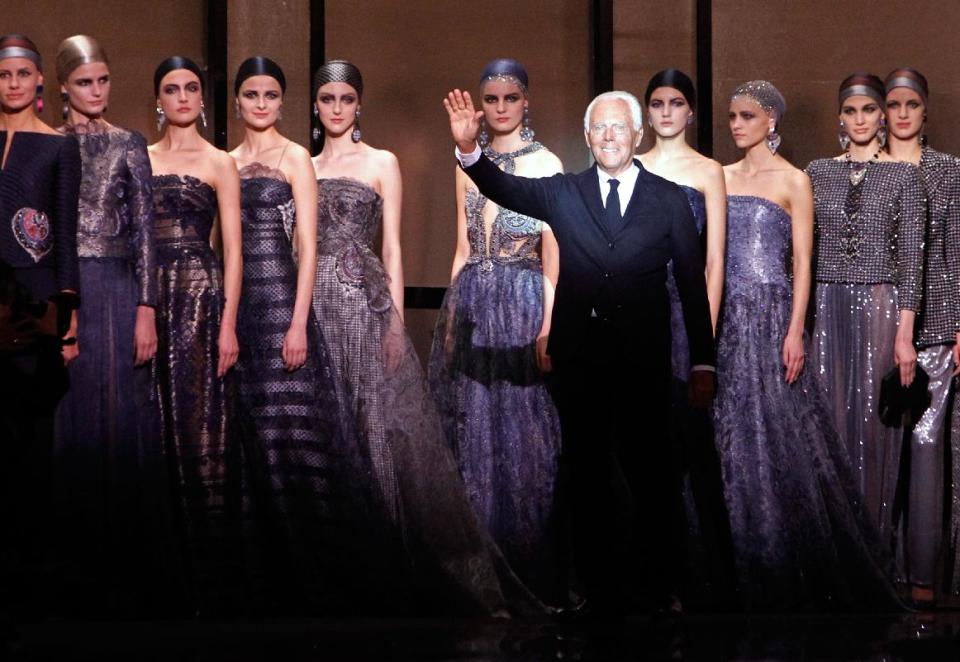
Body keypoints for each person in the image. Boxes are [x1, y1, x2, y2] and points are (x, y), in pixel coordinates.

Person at [445, 86, 715, 618]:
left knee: (651, 477)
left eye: (620, 127)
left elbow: (690, 283)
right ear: (587, 137)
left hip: (642, 362)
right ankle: (595, 592)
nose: (610, 136)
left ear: (636, 136)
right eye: (600, 127)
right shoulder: (562, 192)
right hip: (581, 362)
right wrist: (470, 150)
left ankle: (658, 590)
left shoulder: (669, 200)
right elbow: (502, 188)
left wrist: (703, 361)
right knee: (587, 479)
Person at [311, 59, 536, 616]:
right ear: (315, 107)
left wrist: (391, 323)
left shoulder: (382, 162)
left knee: (377, 434)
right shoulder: (303, 164)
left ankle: (392, 562)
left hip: (364, 309)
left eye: (345, 99)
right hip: (314, 310)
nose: (336, 108)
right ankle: (338, 565)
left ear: (358, 104)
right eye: (326, 99)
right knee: (325, 433)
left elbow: (391, 251)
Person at [716, 80, 901, 610]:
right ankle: (734, 555)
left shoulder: (796, 181)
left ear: (772, 120)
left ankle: (783, 555)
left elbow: (804, 264)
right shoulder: (720, 176)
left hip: (773, 312)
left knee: (779, 432)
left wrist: (796, 329)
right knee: (729, 432)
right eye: (732, 116)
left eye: (747, 116)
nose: (736, 125)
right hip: (729, 314)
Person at [229, 56, 380, 614]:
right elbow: (228, 250)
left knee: (298, 434)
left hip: (285, 307)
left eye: (271, 95)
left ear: (284, 102)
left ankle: (315, 571)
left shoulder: (296, 157)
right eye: (251, 94)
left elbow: (310, 247)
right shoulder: (229, 160)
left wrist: (298, 324)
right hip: (242, 309)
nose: (262, 104)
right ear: (238, 101)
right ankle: (261, 570)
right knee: (253, 436)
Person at [427, 58, 563, 601]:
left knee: (524, 437)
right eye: (491, 99)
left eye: (510, 98)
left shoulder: (547, 163)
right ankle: (477, 571)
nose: (500, 108)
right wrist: (451, 315)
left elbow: (554, 257)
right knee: (471, 430)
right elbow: (462, 247)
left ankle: (527, 562)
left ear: (526, 100)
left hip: (523, 304)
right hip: (475, 303)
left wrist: (551, 326)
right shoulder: (466, 161)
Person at [50, 35, 161, 614]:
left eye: (103, 80)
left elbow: (145, 232)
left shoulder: (128, 144)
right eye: (85, 82)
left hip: (119, 289)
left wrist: (147, 308)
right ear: (63, 88)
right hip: (67, 294)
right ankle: (72, 570)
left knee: (122, 418)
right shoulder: (50, 145)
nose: (96, 91)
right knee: (70, 418)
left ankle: (125, 573)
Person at [807, 73, 925, 553]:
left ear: (881, 117)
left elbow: (912, 260)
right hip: (825, 303)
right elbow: (801, 252)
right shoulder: (815, 172)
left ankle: (875, 550)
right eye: (851, 110)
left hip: (880, 304)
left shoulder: (904, 176)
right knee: (828, 422)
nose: (860, 119)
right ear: (841, 115)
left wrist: (905, 334)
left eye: (869, 110)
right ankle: (834, 553)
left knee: (876, 428)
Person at [148, 55, 243, 614]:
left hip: (202, 297)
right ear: (157, 98)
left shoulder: (219, 162)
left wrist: (229, 321)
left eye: (190, 88)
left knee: (203, 420)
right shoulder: (142, 156)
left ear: (202, 97)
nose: (182, 97)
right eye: (170, 89)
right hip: (150, 294)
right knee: (153, 417)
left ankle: (209, 573)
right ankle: (161, 568)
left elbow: (232, 251)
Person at [638, 68, 732, 606]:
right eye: (657, 103)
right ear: (646, 111)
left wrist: (705, 346)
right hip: (640, 315)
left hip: (686, 314)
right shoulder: (633, 165)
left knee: (690, 447)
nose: (667, 112)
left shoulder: (708, 171)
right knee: (643, 447)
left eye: (676, 102)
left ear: (691, 111)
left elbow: (714, 260)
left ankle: (697, 580)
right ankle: (648, 577)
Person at [0, 32, 81, 617]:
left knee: (29, 440)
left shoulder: (57, 147)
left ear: (38, 83)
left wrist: (67, 319)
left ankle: (28, 577)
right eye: (4, 75)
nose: (13, 84)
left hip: (32, 307)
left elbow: (66, 240)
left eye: (23, 74)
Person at [883, 67, 960, 606]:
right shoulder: (865, 169)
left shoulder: (948, 172)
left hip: (934, 327)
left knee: (927, 448)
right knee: (878, 450)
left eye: (912, 103)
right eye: (894, 104)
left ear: (925, 109)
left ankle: (924, 575)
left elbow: (956, 252)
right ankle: (876, 568)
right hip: (870, 327)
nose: (903, 113)